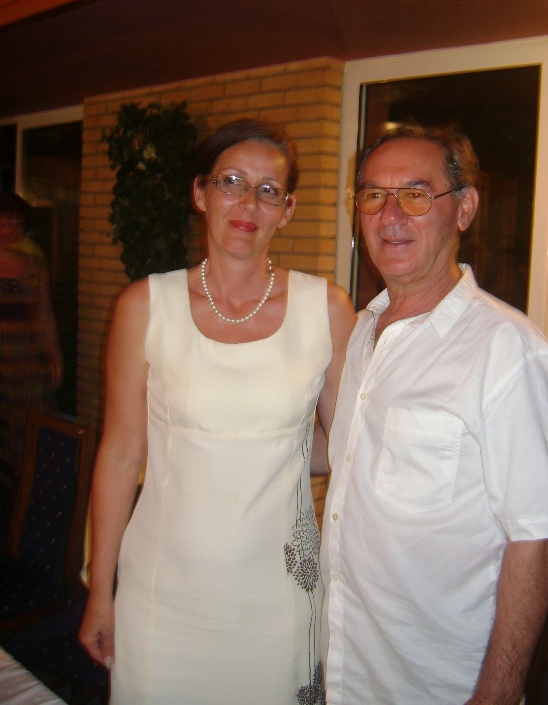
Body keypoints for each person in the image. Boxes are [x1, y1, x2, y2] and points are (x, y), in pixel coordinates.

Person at [79, 119, 356, 705]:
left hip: (278, 598)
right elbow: (120, 456)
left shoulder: (327, 309)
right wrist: (100, 590)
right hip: (162, 592)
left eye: (268, 190)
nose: (248, 203)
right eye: (230, 182)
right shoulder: (144, 305)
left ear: (288, 210)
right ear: (200, 193)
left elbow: (348, 447)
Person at [320, 123, 548, 705]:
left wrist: (497, 694)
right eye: (373, 195)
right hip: (345, 667)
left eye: (416, 194)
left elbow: (535, 540)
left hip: (438, 684)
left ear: (464, 209)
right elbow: (347, 452)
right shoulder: (360, 334)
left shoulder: (508, 353)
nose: (390, 216)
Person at [0, 193, 63, 512]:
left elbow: (45, 314)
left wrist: (55, 356)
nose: (11, 230)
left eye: (18, 224)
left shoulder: (35, 264)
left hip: (28, 357)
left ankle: (29, 499)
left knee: (33, 423)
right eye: (5, 223)